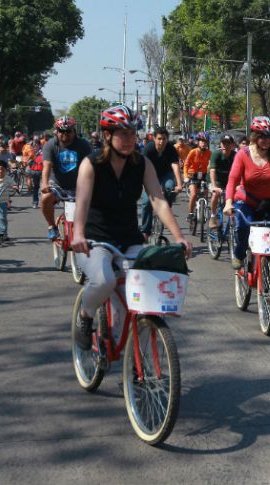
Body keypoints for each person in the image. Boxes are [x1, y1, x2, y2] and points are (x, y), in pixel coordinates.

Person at [70, 105, 192, 350]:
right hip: (95, 240)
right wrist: (78, 234)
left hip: (129, 239)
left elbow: (158, 200)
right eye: (121, 133)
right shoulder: (90, 164)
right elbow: (81, 203)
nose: (128, 139)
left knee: (146, 294)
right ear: (107, 135)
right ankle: (85, 315)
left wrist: (179, 237)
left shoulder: (142, 163)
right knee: (105, 281)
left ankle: (138, 364)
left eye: (132, 133)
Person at [223, 116, 270, 269]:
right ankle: (239, 254)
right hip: (246, 201)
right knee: (244, 228)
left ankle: (267, 270)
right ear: (254, 136)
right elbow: (233, 179)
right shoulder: (243, 154)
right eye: (263, 136)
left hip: (267, 203)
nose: (267, 140)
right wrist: (228, 202)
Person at [40, 116, 93, 239]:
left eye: (68, 131)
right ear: (56, 132)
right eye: (61, 131)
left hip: (78, 185)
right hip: (57, 184)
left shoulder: (83, 144)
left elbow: (92, 165)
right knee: (45, 198)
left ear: (74, 131)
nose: (65, 135)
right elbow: (47, 166)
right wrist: (44, 184)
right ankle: (51, 226)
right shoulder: (51, 145)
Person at [140, 126, 184, 239]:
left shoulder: (171, 149)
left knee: (170, 187)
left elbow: (175, 166)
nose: (161, 141)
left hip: (166, 174)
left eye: (164, 139)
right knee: (146, 203)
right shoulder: (148, 149)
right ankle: (145, 230)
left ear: (167, 139)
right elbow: (142, 167)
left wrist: (179, 184)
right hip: (149, 175)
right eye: (159, 138)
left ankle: (165, 210)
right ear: (154, 138)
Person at [208, 134, 237, 228]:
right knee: (215, 194)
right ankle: (213, 216)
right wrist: (214, 186)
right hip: (216, 181)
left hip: (229, 182)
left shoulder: (235, 156)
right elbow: (212, 170)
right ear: (220, 144)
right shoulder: (216, 154)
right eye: (223, 143)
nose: (225, 145)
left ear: (232, 145)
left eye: (228, 143)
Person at [184, 132, 212, 224]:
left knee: (206, 193)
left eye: (205, 141)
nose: (203, 143)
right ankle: (190, 213)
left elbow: (212, 166)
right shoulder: (193, 152)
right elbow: (186, 164)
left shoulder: (209, 153)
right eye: (201, 141)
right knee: (194, 194)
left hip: (203, 175)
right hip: (193, 175)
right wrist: (185, 176)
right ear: (198, 142)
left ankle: (203, 209)